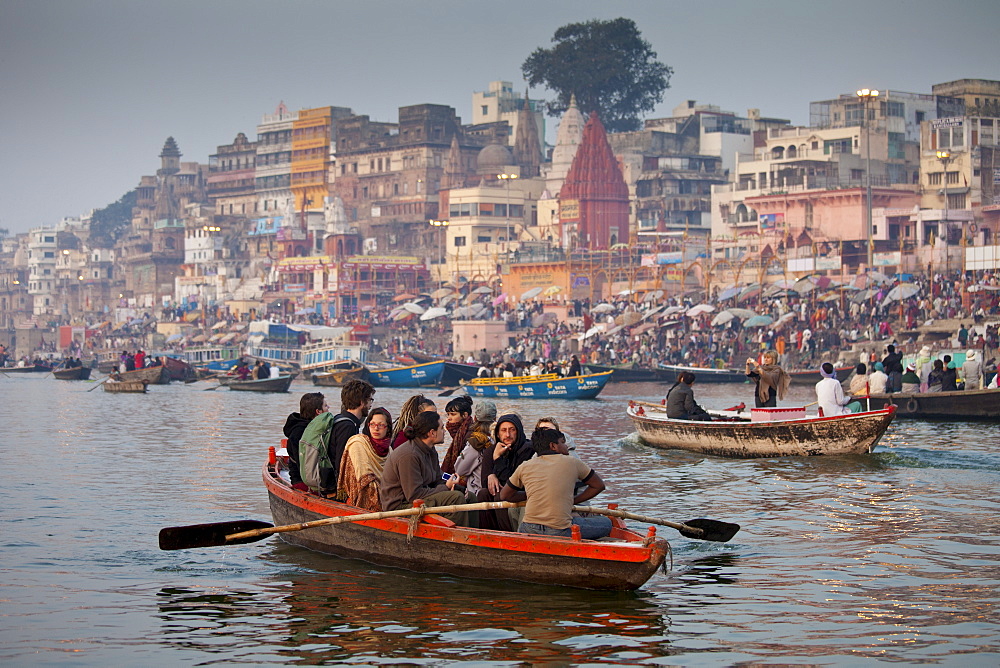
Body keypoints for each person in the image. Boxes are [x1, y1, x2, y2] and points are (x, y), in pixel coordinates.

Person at [500, 427, 612, 539]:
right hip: (559, 531)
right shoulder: (572, 462)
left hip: (527, 528)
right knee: (606, 523)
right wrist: (574, 501)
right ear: (553, 446)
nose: (566, 446)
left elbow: (505, 495)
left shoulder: (525, 465)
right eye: (563, 442)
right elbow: (598, 485)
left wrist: (532, 494)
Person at [379, 410, 469, 526]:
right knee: (455, 498)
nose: (444, 431)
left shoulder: (430, 450)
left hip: (419, 498)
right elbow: (414, 495)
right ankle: (456, 539)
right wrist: (445, 487)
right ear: (432, 433)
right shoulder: (409, 455)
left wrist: (452, 485)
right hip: (401, 507)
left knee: (469, 496)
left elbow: (437, 478)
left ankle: (476, 537)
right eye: (441, 428)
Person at [477, 412, 534, 531]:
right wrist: (490, 475)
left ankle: (506, 533)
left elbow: (511, 482)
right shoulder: (490, 451)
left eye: (512, 430)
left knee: (500, 496)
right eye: (503, 430)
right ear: (498, 433)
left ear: (518, 432)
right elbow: (484, 483)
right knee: (483, 493)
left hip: (521, 494)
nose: (507, 434)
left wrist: (498, 459)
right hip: (502, 494)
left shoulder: (527, 450)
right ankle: (487, 533)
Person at [321, 379, 376, 495]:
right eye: (370, 400)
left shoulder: (340, 418)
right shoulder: (348, 426)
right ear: (362, 402)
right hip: (335, 487)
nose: (371, 404)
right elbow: (342, 462)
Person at [336, 407, 392, 511]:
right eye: (373, 424)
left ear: (388, 428)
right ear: (368, 425)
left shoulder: (389, 450)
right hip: (359, 497)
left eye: (381, 425)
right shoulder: (358, 443)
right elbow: (364, 478)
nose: (376, 428)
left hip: (386, 497)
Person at [283, 392, 328, 492]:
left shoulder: (316, 428)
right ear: (318, 412)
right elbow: (303, 465)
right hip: (303, 482)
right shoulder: (300, 432)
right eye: (325, 405)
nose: (328, 407)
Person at [454, 400, 496, 498]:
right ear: (495, 418)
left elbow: (459, 469)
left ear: (475, 418)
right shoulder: (501, 438)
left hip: (478, 493)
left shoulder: (476, 442)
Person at [440, 395, 473, 474]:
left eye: (453, 414)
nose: (449, 418)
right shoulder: (459, 434)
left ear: (465, 415)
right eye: (448, 414)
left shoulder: (470, 434)